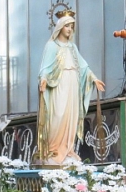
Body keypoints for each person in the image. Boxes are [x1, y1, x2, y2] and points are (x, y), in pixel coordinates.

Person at [37, 13, 104, 165]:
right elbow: (45, 67)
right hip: (59, 85)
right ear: (60, 27)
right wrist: (44, 79)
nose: (69, 30)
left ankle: (67, 149)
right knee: (58, 116)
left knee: (70, 117)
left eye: (72, 27)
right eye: (67, 26)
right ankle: (53, 150)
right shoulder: (51, 46)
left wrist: (94, 78)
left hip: (73, 84)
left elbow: (83, 66)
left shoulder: (73, 47)